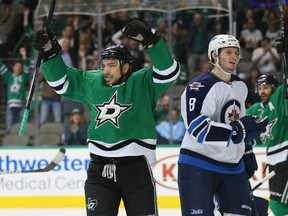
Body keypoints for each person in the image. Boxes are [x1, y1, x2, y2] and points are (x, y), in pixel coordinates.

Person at [33, 19, 180, 216]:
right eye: (104, 65)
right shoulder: (95, 82)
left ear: (126, 67)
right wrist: (50, 53)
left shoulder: (141, 82)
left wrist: (151, 40)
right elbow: (63, 83)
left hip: (136, 169)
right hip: (99, 169)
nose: (106, 71)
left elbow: (168, 71)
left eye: (112, 65)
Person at [177, 34, 268, 216]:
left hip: (233, 166)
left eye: (236, 52)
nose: (234, 57)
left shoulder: (241, 86)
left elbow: (240, 121)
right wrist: (236, 132)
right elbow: (197, 128)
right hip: (198, 164)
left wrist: (246, 150)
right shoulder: (199, 86)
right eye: (228, 52)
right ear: (214, 56)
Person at [246, 74, 288, 215]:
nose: (262, 91)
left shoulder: (280, 99)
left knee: (278, 205)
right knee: (277, 206)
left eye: (266, 88)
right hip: (273, 162)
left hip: (285, 158)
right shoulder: (255, 110)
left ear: (274, 88)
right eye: (260, 88)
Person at [0, 46, 31, 134]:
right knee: (9, 124)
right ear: (13, 67)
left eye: (20, 66)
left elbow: (27, 68)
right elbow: (1, 67)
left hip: (21, 105)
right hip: (11, 105)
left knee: (21, 126)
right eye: (17, 66)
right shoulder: (8, 76)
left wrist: (24, 56)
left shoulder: (24, 77)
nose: (18, 67)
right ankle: (7, 143)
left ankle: (20, 142)